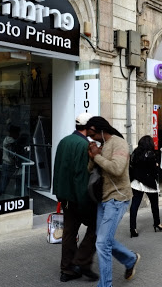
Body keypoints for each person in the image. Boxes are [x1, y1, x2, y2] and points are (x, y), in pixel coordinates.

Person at [86, 116, 140, 286]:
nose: (92, 138)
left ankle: (105, 284)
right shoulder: (103, 146)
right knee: (102, 239)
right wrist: (92, 155)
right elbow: (90, 169)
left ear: (100, 130)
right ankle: (130, 259)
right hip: (104, 198)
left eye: (93, 135)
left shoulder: (118, 143)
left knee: (102, 243)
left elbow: (117, 169)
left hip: (118, 198)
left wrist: (97, 157)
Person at [53, 113, 99, 283]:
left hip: (64, 196)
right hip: (78, 197)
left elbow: (57, 168)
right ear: (89, 127)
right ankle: (81, 261)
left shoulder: (64, 141)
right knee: (96, 226)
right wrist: (86, 200)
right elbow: (81, 176)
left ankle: (67, 269)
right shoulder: (84, 145)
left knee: (69, 233)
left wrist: (58, 192)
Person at [129, 135, 162, 238]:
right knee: (154, 205)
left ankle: (133, 229)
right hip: (149, 183)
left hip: (136, 182)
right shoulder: (151, 155)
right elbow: (154, 171)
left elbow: (131, 167)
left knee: (134, 205)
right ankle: (157, 224)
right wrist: (157, 167)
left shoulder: (135, 153)